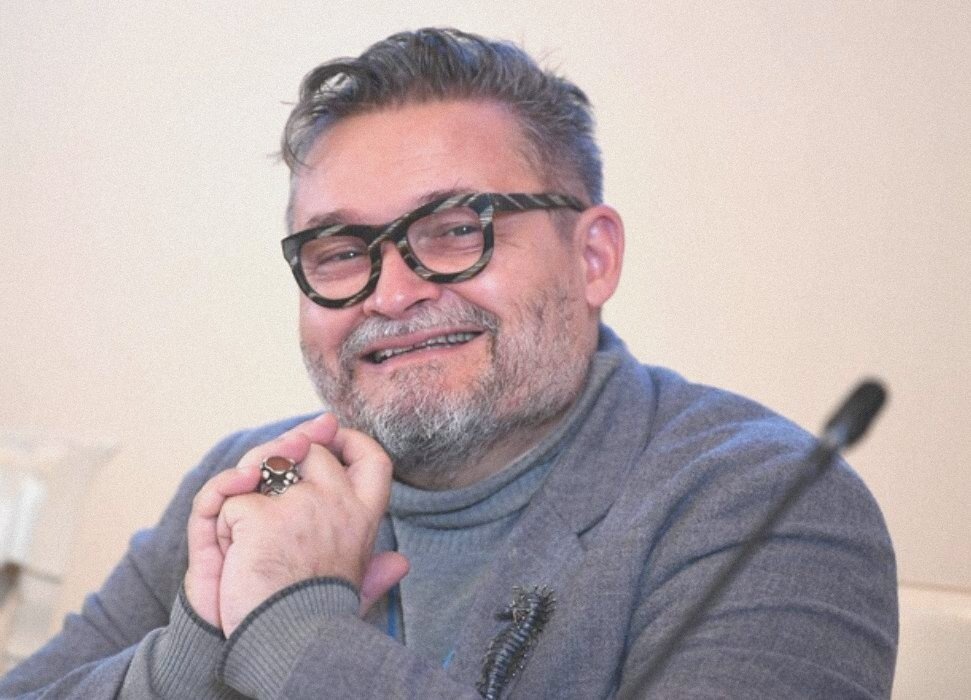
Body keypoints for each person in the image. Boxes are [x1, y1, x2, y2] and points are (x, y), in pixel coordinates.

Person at [0, 28, 897, 699]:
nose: (391, 293)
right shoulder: (259, 480)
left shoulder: (763, 500)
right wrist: (194, 647)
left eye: (456, 231)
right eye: (340, 250)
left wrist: (289, 633)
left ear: (592, 257)